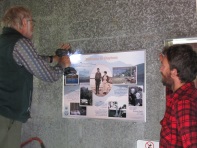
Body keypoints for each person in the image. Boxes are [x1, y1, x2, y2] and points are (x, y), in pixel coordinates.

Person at [0, 6, 71, 148]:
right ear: (24, 22)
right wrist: (63, 65)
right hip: (7, 116)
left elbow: (29, 60)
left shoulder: (4, 42)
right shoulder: (21, 43)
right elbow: (49, 75)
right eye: (32, 22)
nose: (33, 26)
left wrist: (54, 58)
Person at [159, 44, 197, 147]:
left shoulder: (184, 103)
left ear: (174, 72)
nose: (160, 69)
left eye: (163, 66)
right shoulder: (180, 93)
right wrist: (164, 60)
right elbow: (168, 82)